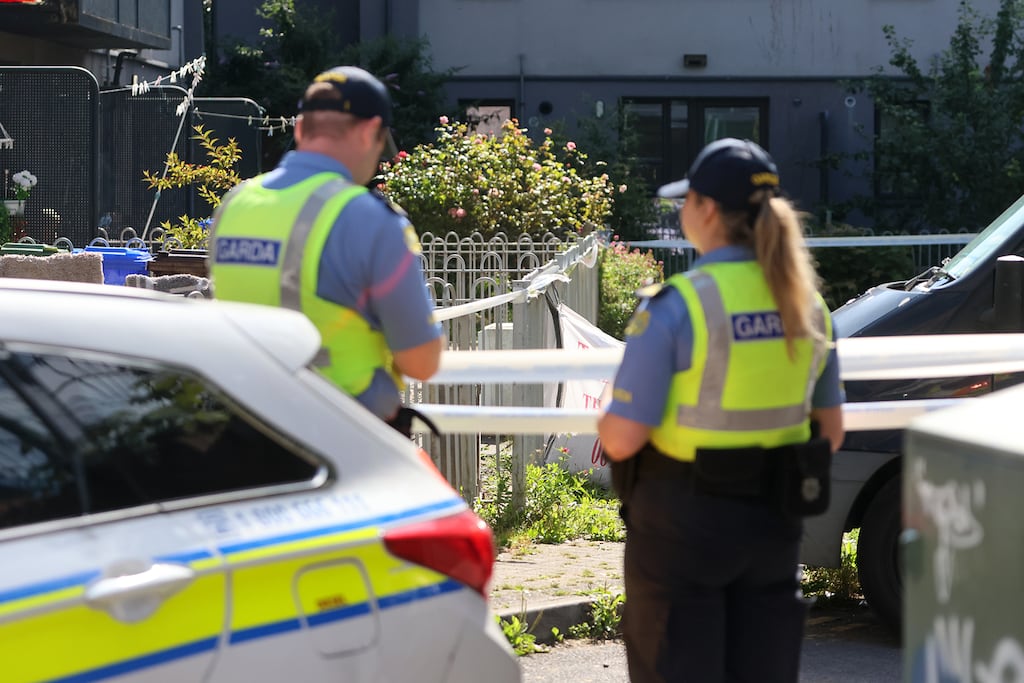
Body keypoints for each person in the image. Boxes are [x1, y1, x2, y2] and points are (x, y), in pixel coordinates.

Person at [596, 138, 845, 683]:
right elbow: (830, 430)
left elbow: (621, 440)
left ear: (706, 209)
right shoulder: (808, 305)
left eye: (686, 200)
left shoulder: (678, 304)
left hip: (683, 530)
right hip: (774, 525)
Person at [209, 66, 443, 436]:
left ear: (300, 129)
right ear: (371, 132)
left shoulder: (235, 204)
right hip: (346, 438)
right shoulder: (371, 219)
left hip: (245, 428)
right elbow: (422, 362)